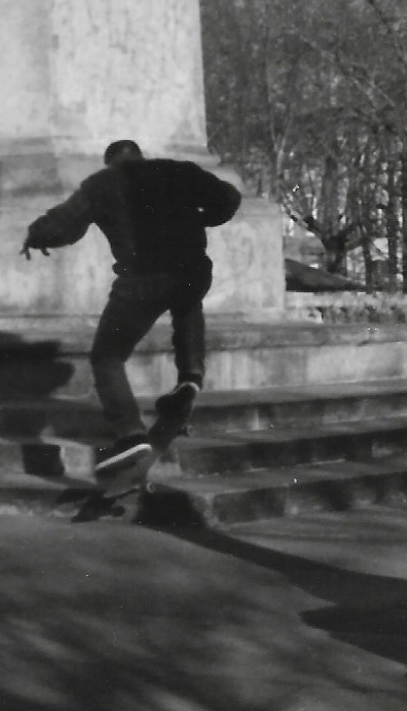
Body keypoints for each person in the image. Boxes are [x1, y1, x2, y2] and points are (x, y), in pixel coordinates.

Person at [21, 140, 242, 485]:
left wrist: (36, 236)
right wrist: (203, 219)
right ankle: (190, 376)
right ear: (140, 155)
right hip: (192, 271)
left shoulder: (103, 182)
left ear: (111, 162)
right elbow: (228, 199)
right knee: (187, 304)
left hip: (142, 281)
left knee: (107, 356)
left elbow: (67, 223)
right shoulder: (179, 170)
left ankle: (130, 433)